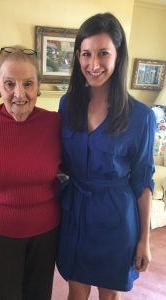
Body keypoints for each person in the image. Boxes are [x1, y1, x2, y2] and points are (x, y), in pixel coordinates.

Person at [56, 12, 156, 300]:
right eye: (86, 54)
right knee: (76, 289)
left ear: (118, 55)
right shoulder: (67, 104)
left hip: (115, 217)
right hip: (75, 212)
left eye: (103, 53)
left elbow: (142, 181)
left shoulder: (141, 116)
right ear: (77, 57)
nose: (94, 64)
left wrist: (144, 241)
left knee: (108, 294)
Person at [0, 45, 61, 300]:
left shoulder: (54, 124)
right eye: (9, 84)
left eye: (28, 84)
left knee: (38, 294)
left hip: (46, 232)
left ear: (38, 86)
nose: (20, 94)